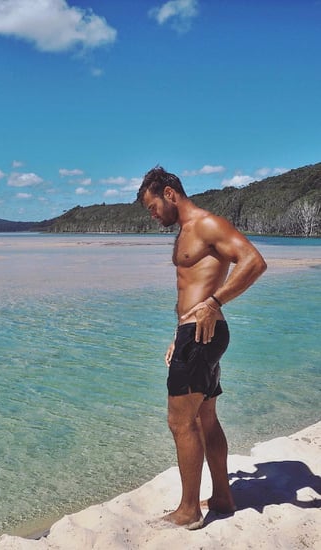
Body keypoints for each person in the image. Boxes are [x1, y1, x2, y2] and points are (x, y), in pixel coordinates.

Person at [137, 166, 267, 529]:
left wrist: (215, 302)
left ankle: (189, 510)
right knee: (206, 417)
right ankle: (223, 497)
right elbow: (190, 289)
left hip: (202, 333)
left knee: (181, 421)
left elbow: (254, 262)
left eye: (152, 207)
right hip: (193, 333)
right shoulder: (185, 233)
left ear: (169, 194)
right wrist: (177, 334)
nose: (152, 215)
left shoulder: (208, 224)